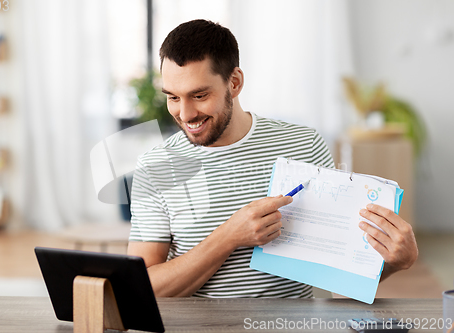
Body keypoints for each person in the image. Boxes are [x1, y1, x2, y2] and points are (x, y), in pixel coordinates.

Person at [127, 19, 418, 298]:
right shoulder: (156, 166)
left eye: (200, 95)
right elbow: (143, 286)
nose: (185, 114)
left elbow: (341, 270)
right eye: (173, 97)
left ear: (235, 83)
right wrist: (229, 236)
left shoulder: (304, 145)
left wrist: (394, 261)